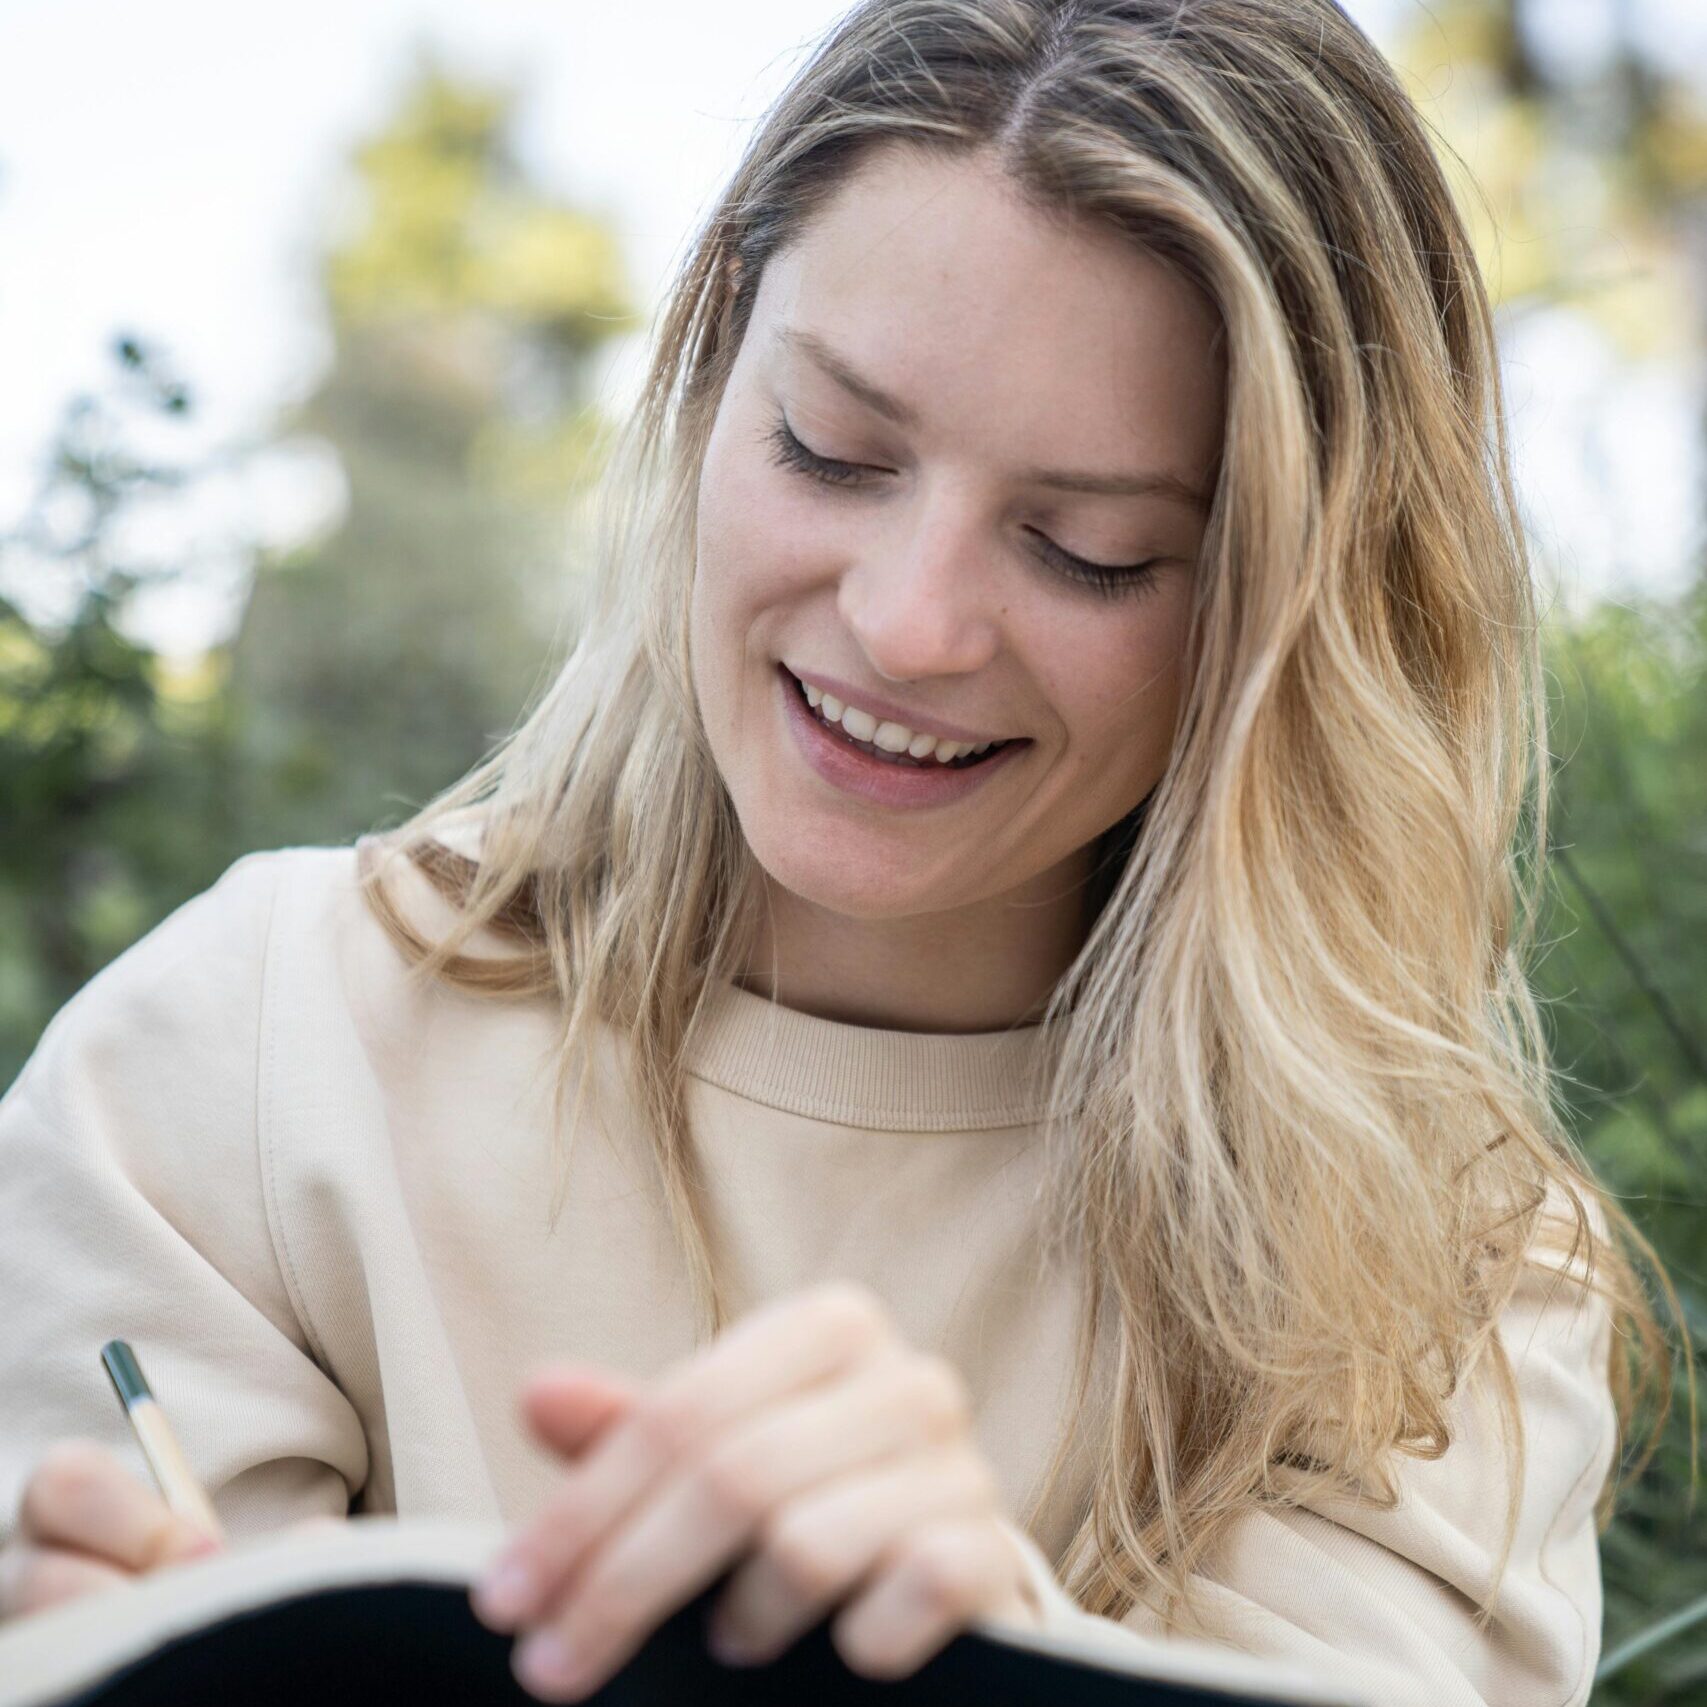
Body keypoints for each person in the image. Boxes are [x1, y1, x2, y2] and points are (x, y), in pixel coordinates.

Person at [0, 2, 1677, 1704]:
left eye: (1090, 551)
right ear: (715, 367)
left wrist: (976, 1669)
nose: (909, 623)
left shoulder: (1426, 1276)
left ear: (1290, 616)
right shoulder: (240, 1062)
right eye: (833, 448)